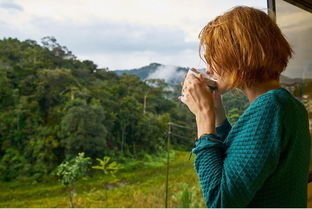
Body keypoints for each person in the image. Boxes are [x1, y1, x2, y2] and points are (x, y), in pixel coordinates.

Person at [178, 6, 311, 208]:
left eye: (214, 58)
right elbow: (241, 159)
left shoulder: (271, 108)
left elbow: (220, 200)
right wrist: (217, 113)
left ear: (237, 55)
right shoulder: (287, 105)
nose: (209, 69)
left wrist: (204, 117)